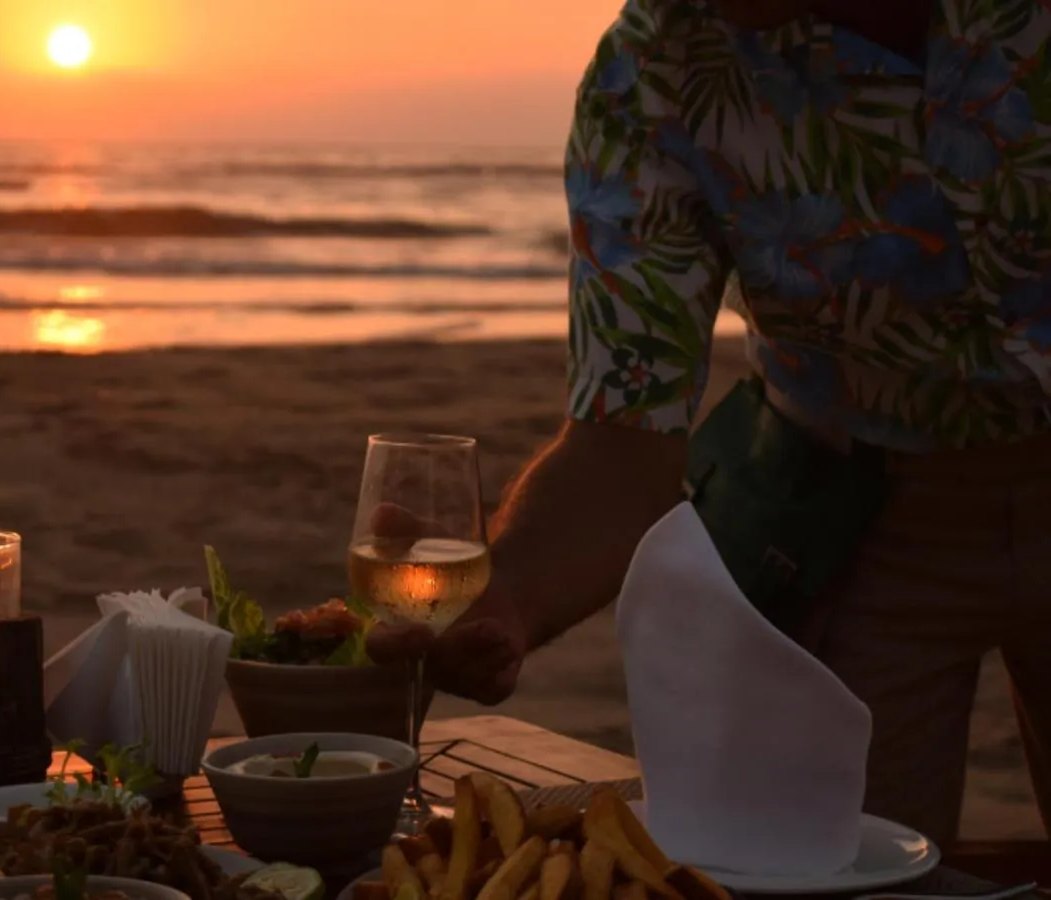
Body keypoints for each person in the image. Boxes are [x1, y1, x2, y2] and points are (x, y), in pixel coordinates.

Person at [368, 0, 1051, 844]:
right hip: (855, 518)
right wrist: (504, 594)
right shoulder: (654, 71)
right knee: (827, 868)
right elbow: (620, 449)